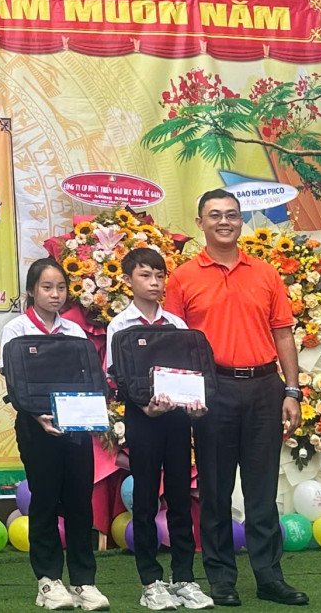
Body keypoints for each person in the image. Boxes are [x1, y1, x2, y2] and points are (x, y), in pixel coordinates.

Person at [164, 190, 307, 607]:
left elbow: (283, 334)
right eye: (215, 215)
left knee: (262, 492)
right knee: (215, 491)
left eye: (231, 214)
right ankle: (221, 579)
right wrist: (183, 394)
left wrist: (292, 390)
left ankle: (270, 578)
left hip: (265, 388)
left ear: (241, 220)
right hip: (212, 392)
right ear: (200, 223)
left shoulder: (265, 273)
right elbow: (174, 342)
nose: (223, 221)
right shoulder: (183, 277)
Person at [104, 247, 212, 611]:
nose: (154, 283)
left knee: (180, 499)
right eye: (145, 275)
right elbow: (118, 379)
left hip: (178, 419)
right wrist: (145, 407)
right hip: (143, 420)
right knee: (146, 500)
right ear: (128, 280)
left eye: (159, 276)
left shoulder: (177, 325)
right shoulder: (120, 326)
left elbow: (191, 375)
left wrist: (195, 405)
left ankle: (184, 579)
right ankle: (150, 582)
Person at [0, 258, 108, 611]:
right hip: (36, 428)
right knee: (44, 501)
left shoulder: (74, 332)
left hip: (75, 428)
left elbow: (90, 380)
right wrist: (38, 415)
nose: (55, 294)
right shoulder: (15, 330)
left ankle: (83, 582)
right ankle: (47, 581)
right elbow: (15, 384)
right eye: (47, 287)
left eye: (61, 288)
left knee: (79, 503)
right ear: (32, 291)